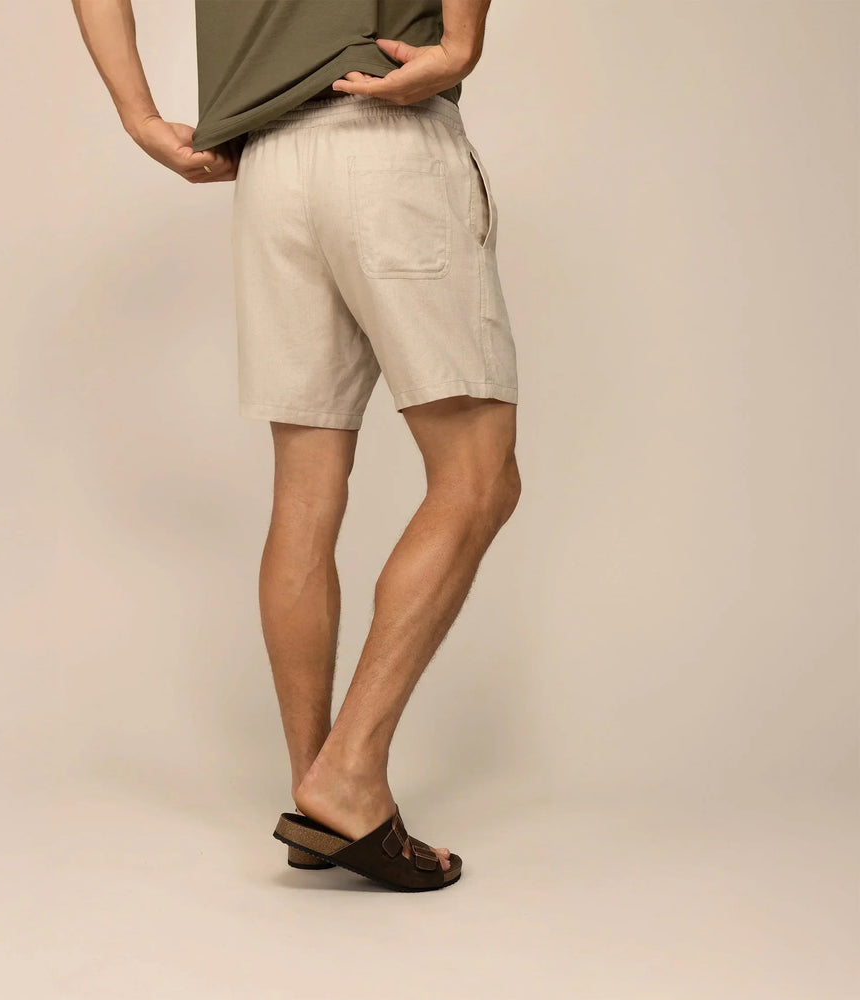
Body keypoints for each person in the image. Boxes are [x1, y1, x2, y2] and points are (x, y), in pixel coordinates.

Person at [71, 0, 519, 892]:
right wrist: (462, 42)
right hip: (388, 136)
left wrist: (139, 116)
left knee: (306, 495)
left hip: (271, 167)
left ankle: (317, 800)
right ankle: (347, 778)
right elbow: (453, 43)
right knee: (478, 478)